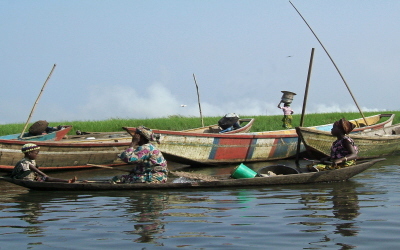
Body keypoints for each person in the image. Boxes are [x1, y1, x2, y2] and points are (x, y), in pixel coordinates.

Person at [10, 143, 77, 183]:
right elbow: (38, 172)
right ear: (29, 153)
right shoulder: (26, 162)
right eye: (36, 153)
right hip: (25, 179)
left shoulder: (31, 161)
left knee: (45, 178)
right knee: (47, 178)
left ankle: (67, 181)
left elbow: (35, 172)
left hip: (32, 179)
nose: (37, 155)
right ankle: (67, 181)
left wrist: (37, 177)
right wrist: (44, 176)